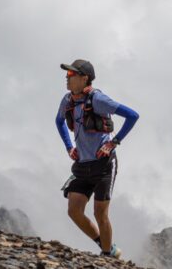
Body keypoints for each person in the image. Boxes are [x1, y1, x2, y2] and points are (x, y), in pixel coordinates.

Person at [55, 59, 139, 259]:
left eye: (70, 75)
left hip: (104, 166)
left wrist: (114, 142)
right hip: (82, 166)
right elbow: (59, 122)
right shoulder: (67, 100)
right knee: (74, 210)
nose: (66, 78)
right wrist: (69, 147)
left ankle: (107, 257)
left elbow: (132, 115)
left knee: (100, 214)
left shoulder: (98, 99)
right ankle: (107, 246)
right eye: (67, 74)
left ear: (84, 79)